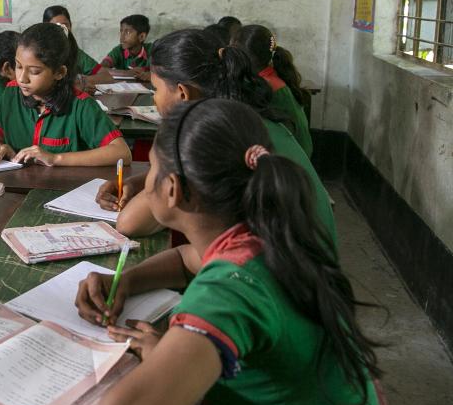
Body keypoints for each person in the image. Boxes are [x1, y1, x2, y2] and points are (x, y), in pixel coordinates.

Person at [76, 99, 386, 405]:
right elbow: (186, 259)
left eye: (151, 169)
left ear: (173, 190)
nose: (145, 181)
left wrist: (165, 358)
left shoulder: (230, 288)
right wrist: (126, 281)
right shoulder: (266, 235)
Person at [94, 29, 336, 245]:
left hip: (282, 275)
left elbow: (129, 223)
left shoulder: (211, 135)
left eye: (156, 89)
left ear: (183, 93)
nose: (154, 98)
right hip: (312, 262)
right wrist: (137, 183)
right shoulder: (247, 115)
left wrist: (151, 182)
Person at [0, 23, 131, 167]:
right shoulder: (11, 94)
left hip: (65, 182)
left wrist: (55, 158)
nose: (22, 78)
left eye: (34, 71)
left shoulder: (80, 106)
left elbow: (122, 153)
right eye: (18, 66)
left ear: (59, 72)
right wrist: (0, 149)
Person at [234, 24, 313, 157]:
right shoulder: (272, 77)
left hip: (292, 159)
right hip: (298, 154)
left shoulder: (266, 87)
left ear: (243, 57)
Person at [42, 5, 113, 87]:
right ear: (45, 29)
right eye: (55, 26)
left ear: (71, 26)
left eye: (65, 25)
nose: (61, 30)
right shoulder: (38, 52)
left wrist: (80, 80)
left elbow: (107, 77)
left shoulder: (74, 52)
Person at [100, 14, 152, 81]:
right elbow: (101, 69)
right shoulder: (118, 50)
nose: (121, 37)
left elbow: (164, 72)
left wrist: (151, 75)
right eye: (121, 31)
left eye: (127, 32)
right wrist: (127, 73)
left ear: (141, 37)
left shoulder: (153, 50)